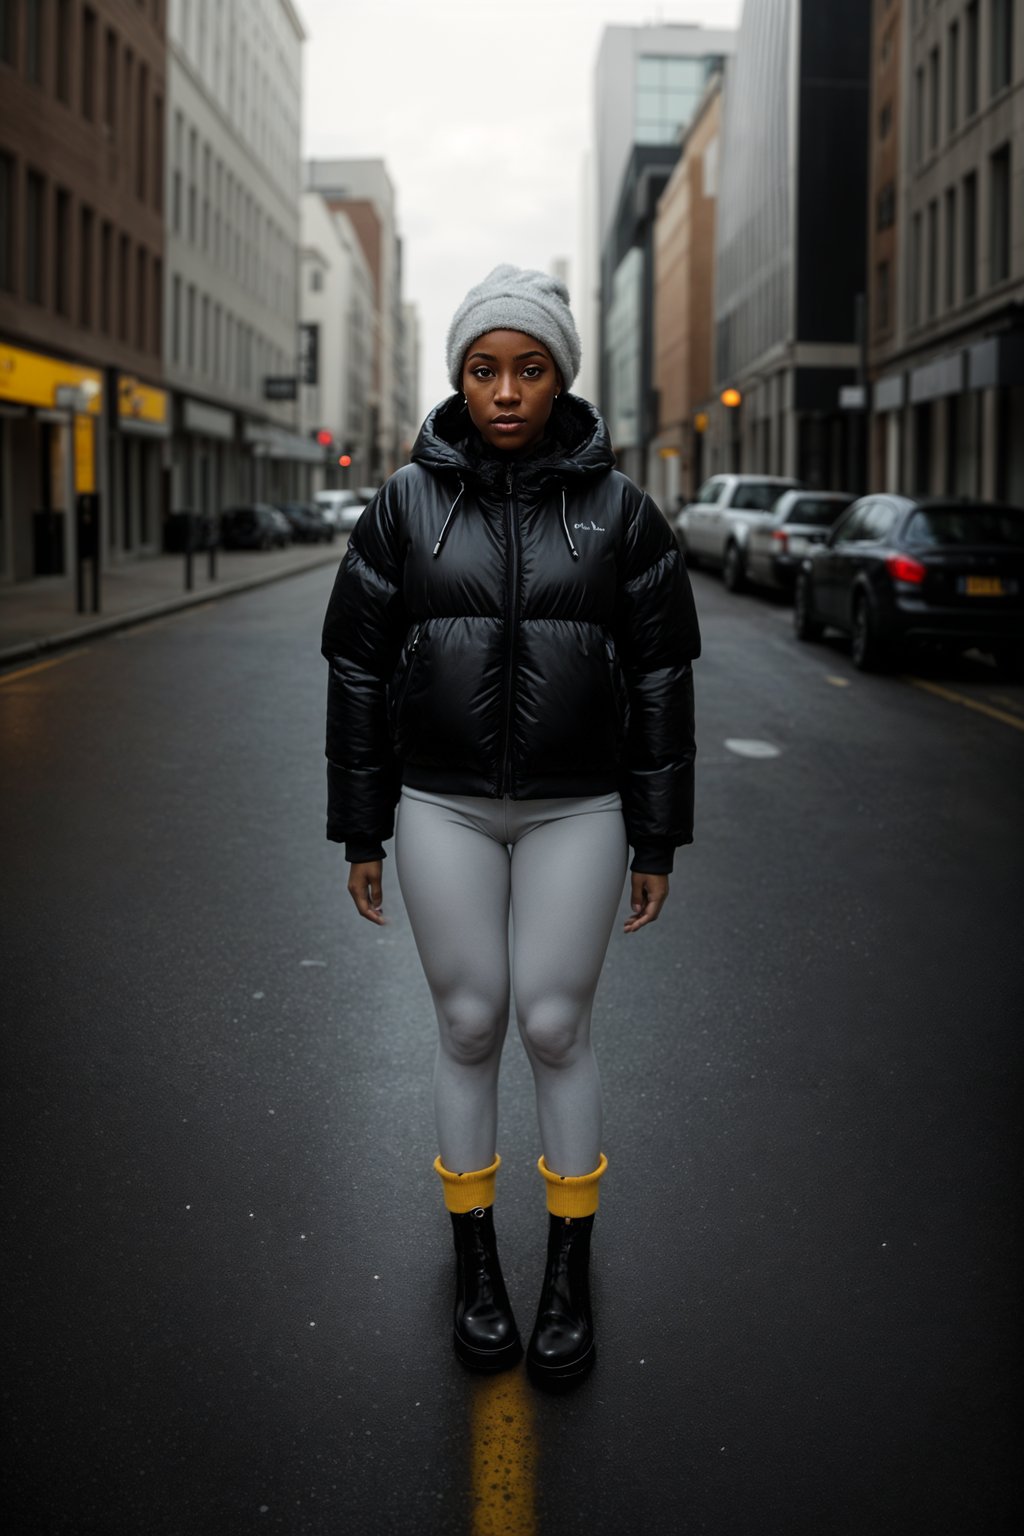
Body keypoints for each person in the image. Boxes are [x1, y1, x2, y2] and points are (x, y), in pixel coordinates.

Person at [321, 265, 700, 1389]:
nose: (504, 390)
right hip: (439, 802)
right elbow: (356, 666)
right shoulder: (402, 504)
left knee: (551, 1023)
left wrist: (653, 838)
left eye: (528, 369)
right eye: (484, 368)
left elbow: (661, 681)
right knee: (472, 1019)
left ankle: (567, 1274)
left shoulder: (622, 513)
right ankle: (476, 1263)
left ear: (559, 379)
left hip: (578, 806)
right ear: (458, 377)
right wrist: (361, 829)